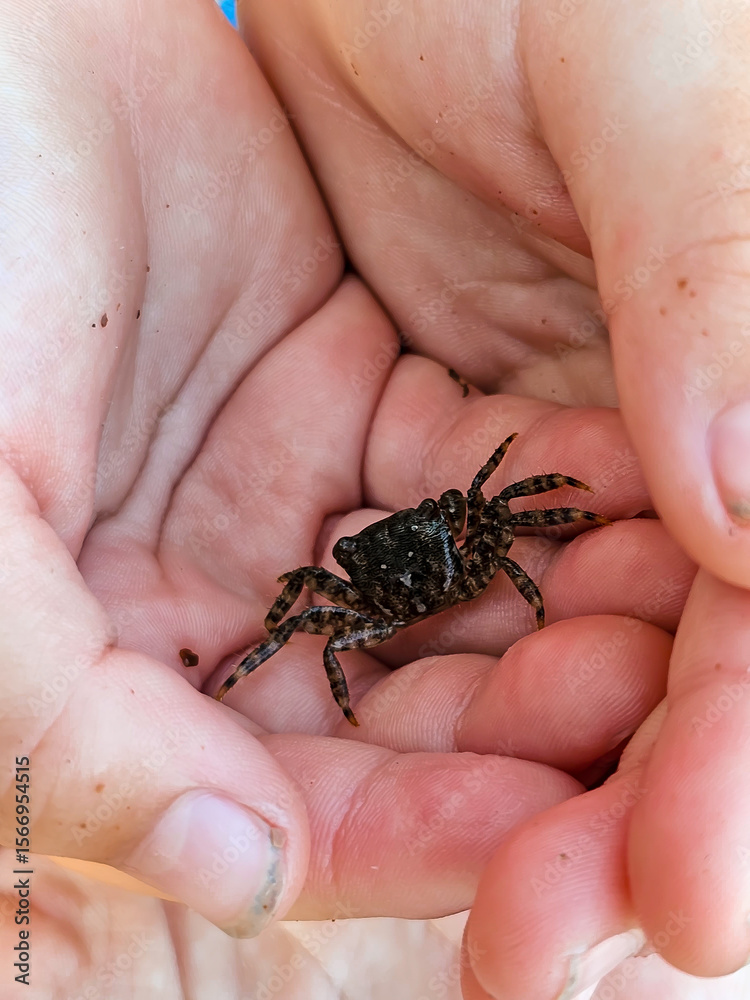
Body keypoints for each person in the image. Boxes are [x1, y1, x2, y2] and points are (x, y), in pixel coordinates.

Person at [2, 0, 750, 996]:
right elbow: (301, 623)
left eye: (472, 506)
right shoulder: (349, 596)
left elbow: (522, 486)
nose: (486, 509)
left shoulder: (472, 514)